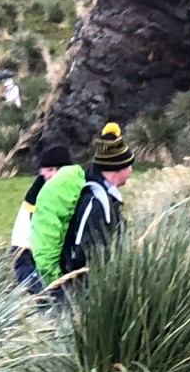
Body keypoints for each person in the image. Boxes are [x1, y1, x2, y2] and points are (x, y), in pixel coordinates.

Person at [31, 123, 131, 292]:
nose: (132, 169)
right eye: (128, 164)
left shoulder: (101, 194)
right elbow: (84, 252)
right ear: (116, 168)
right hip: (77, 292)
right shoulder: (96, 201)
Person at [11, 150, 81, 293]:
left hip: (44, 257)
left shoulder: (64, 192)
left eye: (55, 170)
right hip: (26, 257)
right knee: (48, 301)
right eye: (47, 170)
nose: (50, 175)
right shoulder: (35, 200)